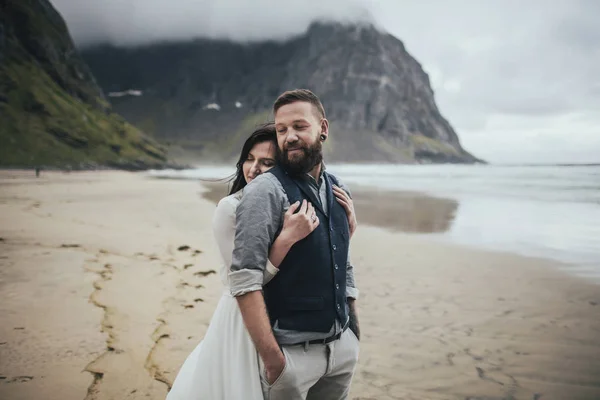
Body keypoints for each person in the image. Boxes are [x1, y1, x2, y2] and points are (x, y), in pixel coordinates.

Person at [166, 122, 357, 399]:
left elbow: (311, 262)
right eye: (249, 159)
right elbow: (246, 278)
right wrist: (285, 239)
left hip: (282, 316)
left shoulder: (288, 204)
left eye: (267, 162)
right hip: (244, 315)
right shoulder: (229, 209)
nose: (253, 169)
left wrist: (345, 226)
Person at [231, 89, 360, 400]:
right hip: (291, 357)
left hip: (341, 351)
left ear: (322, 129)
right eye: (281, 129)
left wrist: (354, 334)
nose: (288, 137)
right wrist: (274, 361)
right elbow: (244, 279)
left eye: (299, 127)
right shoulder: (264, 191)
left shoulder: (338, 188)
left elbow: (344, 262)